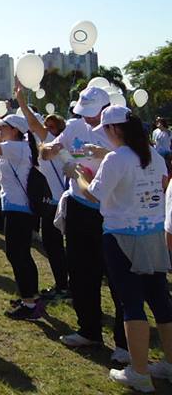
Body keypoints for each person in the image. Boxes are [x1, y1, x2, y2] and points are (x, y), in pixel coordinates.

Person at [75, 106, 172, 392]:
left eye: (105, 130)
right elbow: (155, 179)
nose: (104, 135)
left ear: (115, 129)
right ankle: (168, 364)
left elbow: (93, 195)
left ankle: (139, 372)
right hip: (152, 235)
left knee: (131, 303)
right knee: (160, 301)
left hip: (122, 237)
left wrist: (77, 174)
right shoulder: (152, 154)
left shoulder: (117, 158)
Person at [39, 86, 128, 355]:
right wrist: (50, 149)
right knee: (80, 271)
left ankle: (124, 343)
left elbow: (137, 159)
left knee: (116, 277)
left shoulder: (118, 130)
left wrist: (103, 155)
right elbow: (49, 149)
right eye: (85, 113)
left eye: (93, 114)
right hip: (79, 207)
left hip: (110, 210)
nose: (89, 119)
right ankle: (89, 330)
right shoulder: (76, 127)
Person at [0, 111, 44, 320]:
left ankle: (30, 304)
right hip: (18, 208)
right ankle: (30, 296)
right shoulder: (20, 146)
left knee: (17, 254)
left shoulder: (16, 147)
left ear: (14, 130)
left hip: (18, 209)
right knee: (21, 254)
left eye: (3, 127)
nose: (0, 130)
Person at [17, 88, 70, 300]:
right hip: (58, 203)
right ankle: (63, 285)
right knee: (54, 246)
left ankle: (65, 287)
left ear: (59, 129)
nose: (46, 129)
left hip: (60, 205)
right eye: (45, 125)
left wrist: (21, 100)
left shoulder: (56, 143)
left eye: (51, 127)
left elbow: (32, 124)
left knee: (56, 247)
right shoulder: (55, 145)